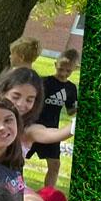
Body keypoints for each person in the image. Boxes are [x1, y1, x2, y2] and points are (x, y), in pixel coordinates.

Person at [33, 49, 80, 190]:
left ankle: (47, 195)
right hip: (33, 127)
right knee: (18, 160)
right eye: (61, 69)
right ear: (55, 64)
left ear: (75, 69)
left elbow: (70, 111)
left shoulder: (71, 88)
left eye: (68, 71)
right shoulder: (43, 82)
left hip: (52, 131)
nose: (63, 73)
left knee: (55, 165)